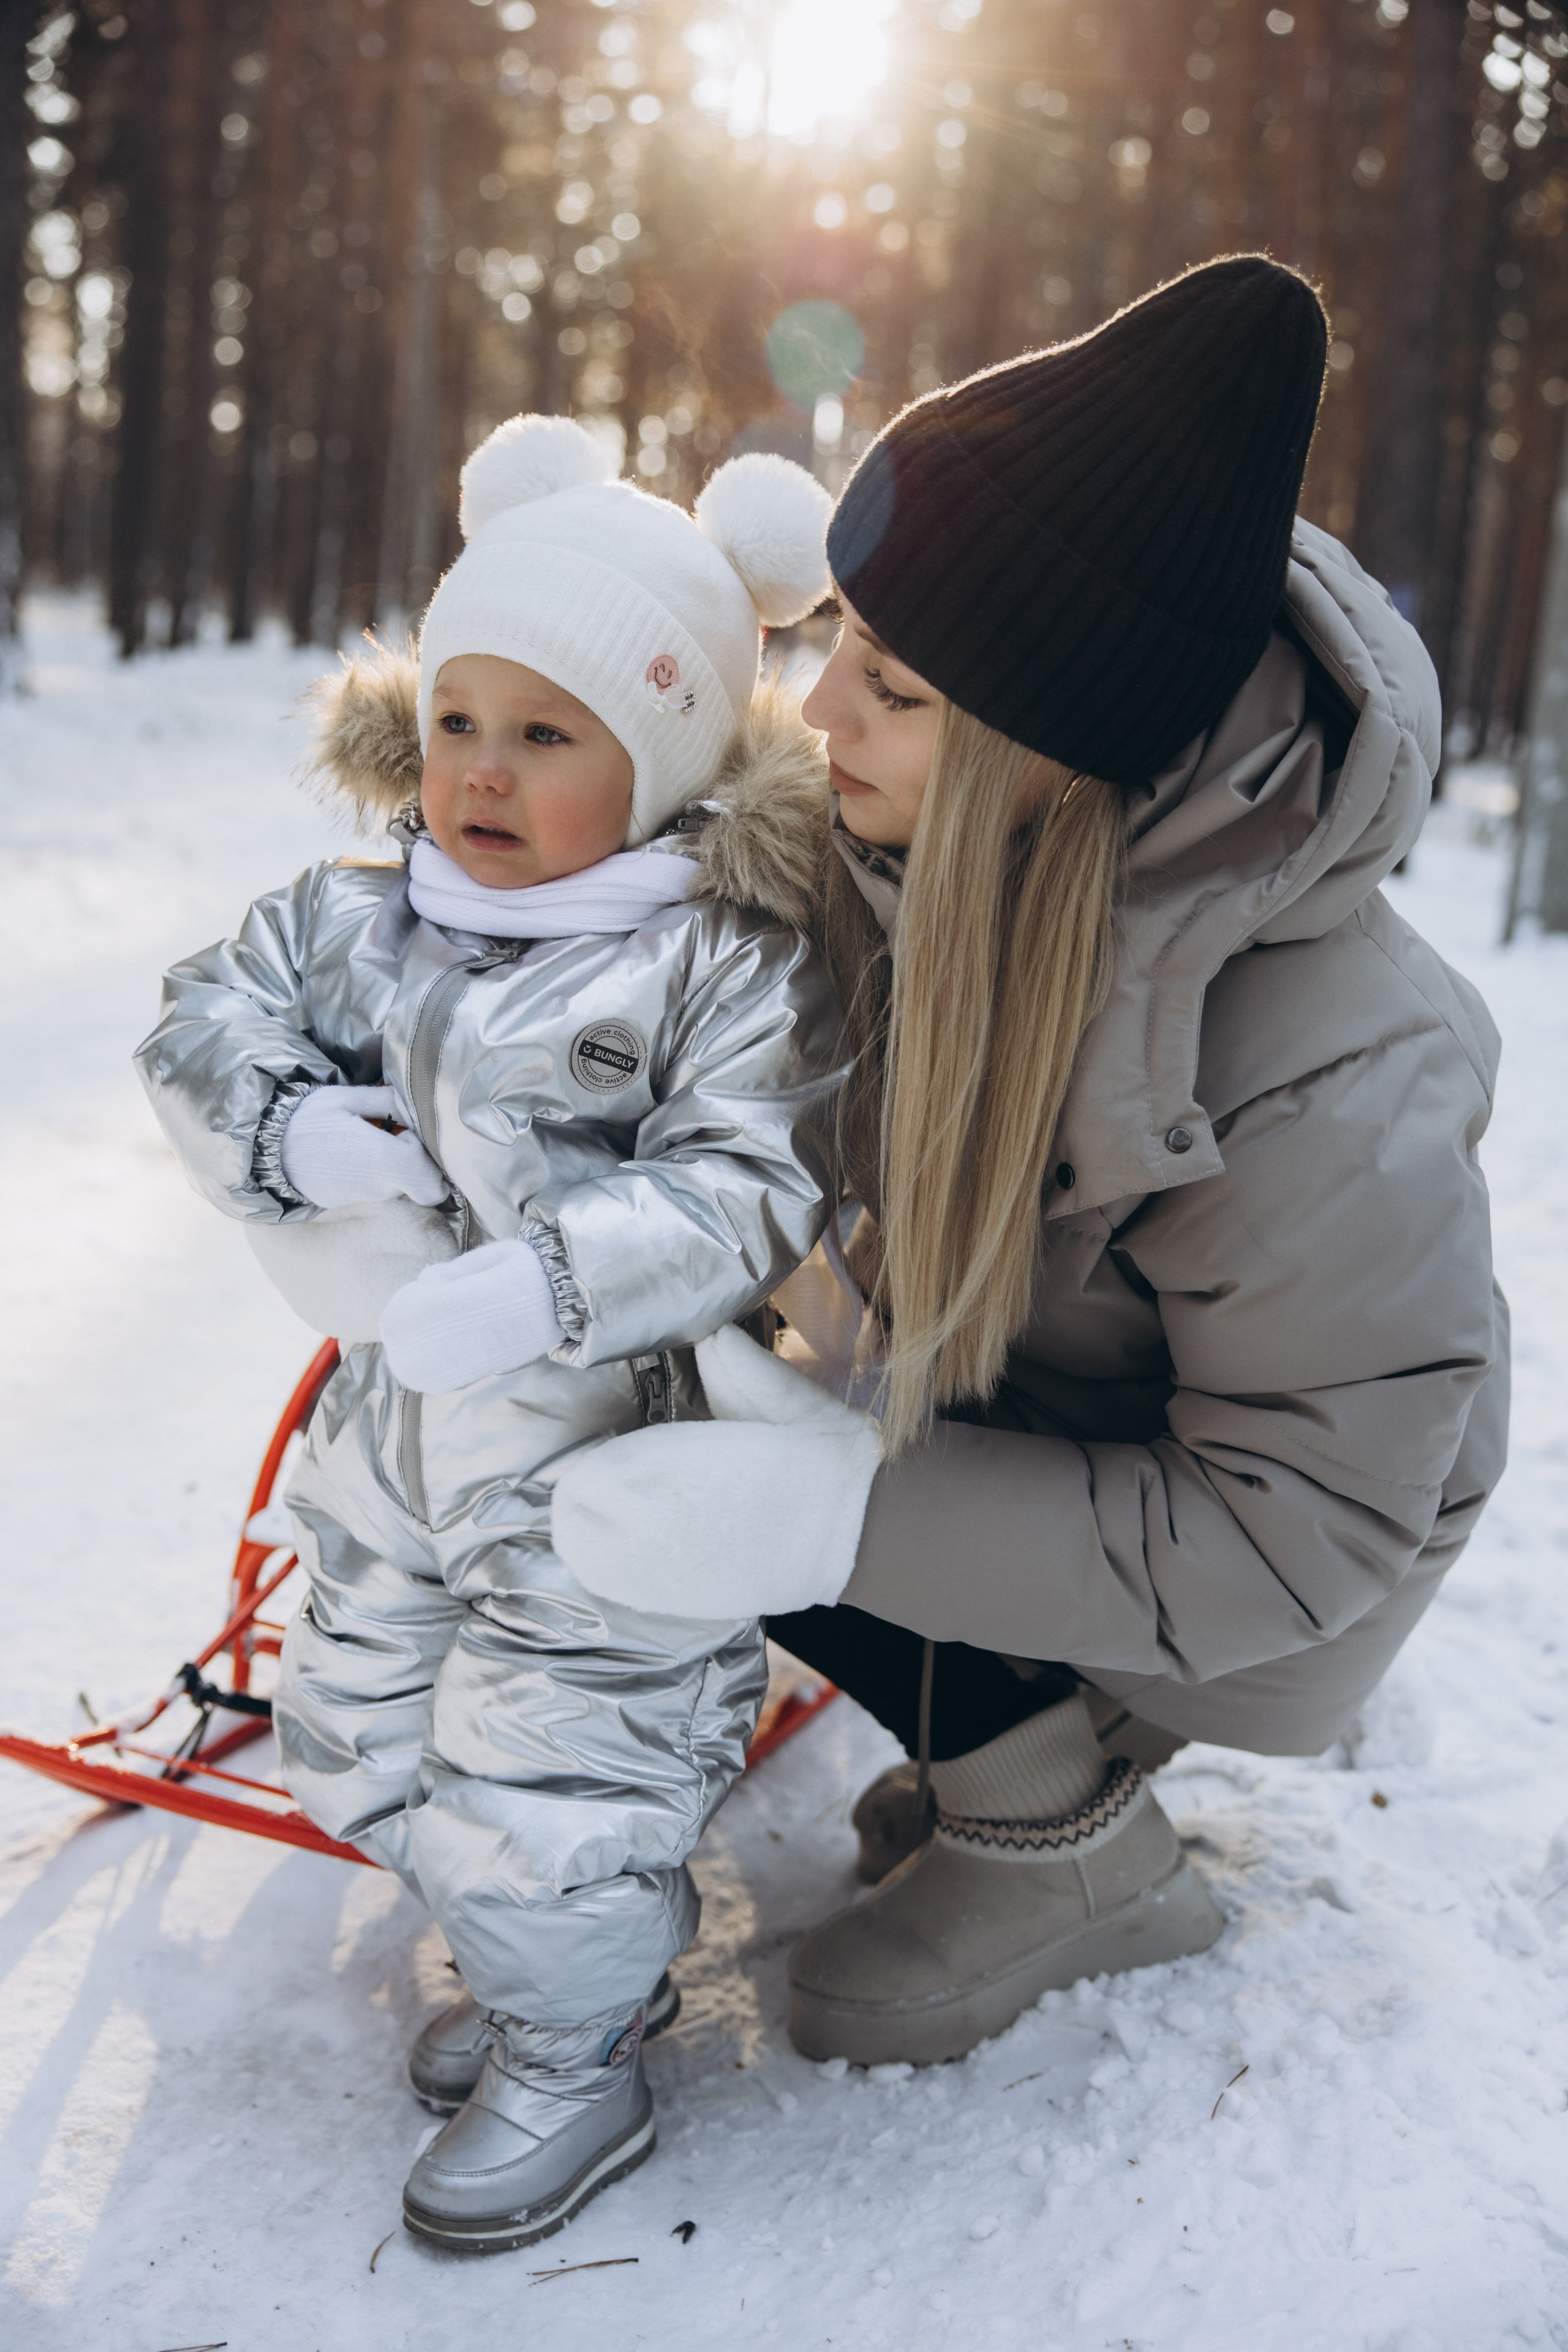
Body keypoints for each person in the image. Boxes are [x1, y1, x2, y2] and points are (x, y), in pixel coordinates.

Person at [552, 256, 1507, 2068]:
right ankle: (1012, 1726)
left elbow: (1300, 1523)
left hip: (1260, 1557)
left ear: (1046, 764)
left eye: (890, 686)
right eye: (836, 642)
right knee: (657, 1358)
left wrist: (828, 1512)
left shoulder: (1333, 1063)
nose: (820, 715)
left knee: (749, 1456)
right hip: (1035, 1407)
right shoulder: (901, 840)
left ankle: (1070, 1837)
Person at [134, 415, 849, 2251]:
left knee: (561, 1766)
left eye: (549, 737)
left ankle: (575, 2037)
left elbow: (751, 1181)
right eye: (460, 721)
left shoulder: (712, 959)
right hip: (395, 1447)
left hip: (602, 1460)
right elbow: (208, 1013)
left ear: (669, 754)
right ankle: (540, 1959)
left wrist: (549, 1275)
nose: (484, 774)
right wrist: (285, 1126)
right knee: (362, 1722)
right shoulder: (359, 921)